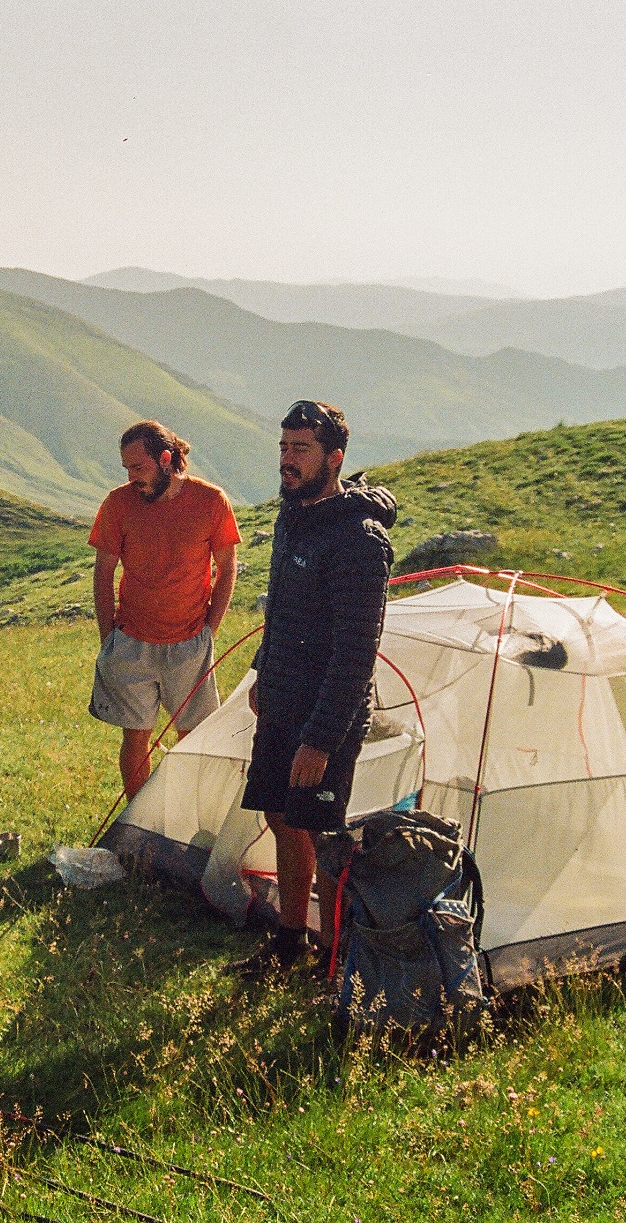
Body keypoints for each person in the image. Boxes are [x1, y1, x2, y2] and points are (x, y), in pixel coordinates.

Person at [233, 400, 396, 978]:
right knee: (281, 817)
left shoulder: (360, 539)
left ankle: (335, 961)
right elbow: (282, 611)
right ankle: (289, 941)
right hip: (282, 697)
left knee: (323, 835)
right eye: (283, 447)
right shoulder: (292, 516)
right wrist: (262, 671)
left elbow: (356, 652)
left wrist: (321, 740)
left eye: (300, 449)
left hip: (326, 714)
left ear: (335, 457)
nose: (288, 460)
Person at [89, 421, 241, 798]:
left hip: (190, 642)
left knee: (193, 738)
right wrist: (109, 639)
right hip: (131, 643)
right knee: (135, 738)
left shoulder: (211, 501)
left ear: (166, 459)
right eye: (126, 468)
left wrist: (210, 631)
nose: (131, 477)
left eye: (138, 467)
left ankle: (183, 816)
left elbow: (227, 568)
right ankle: (138, 820)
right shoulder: (118, 503)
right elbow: (103, 572)